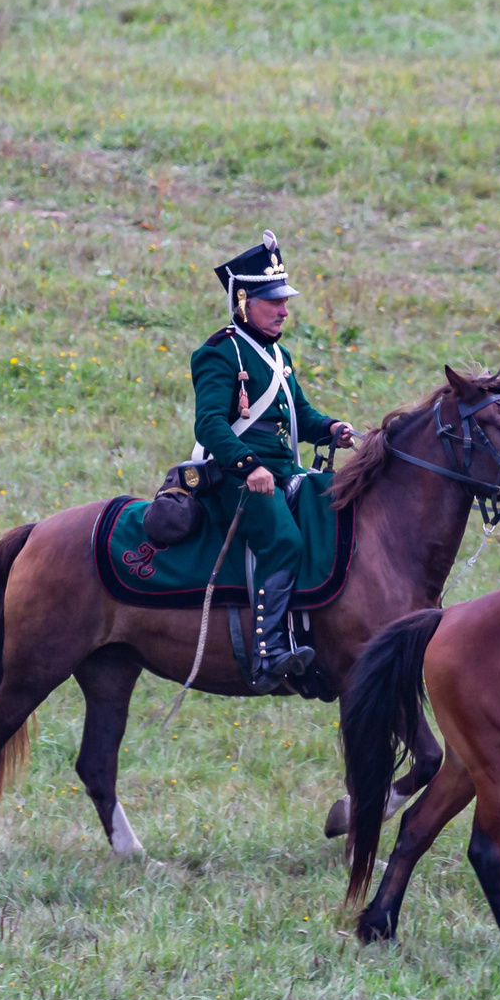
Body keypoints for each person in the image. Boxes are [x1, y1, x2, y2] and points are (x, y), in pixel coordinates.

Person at [191, 232, 359, 694]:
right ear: (243, 301)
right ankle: (269, 656)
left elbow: (300, 415)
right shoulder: (219, 353)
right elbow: (209, 425)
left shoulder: (278, 355)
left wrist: (331, 429)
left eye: (285, 299)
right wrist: (249, 466)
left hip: (282, 474)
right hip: (234, 478)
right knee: (283, 540)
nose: (284, 309)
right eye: (273, 300)